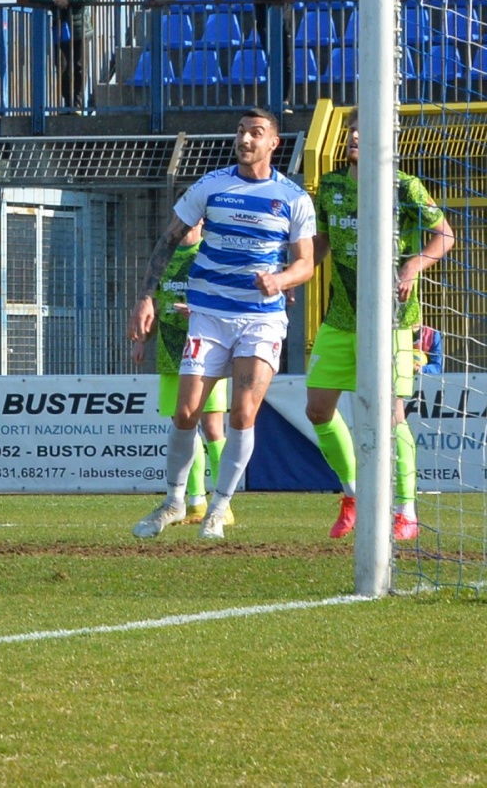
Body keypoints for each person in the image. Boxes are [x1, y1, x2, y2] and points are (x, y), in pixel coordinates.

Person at [127, 108, 317, 541]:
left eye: (256, 133)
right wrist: (145, 297)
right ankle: (174, 501)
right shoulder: (211, 185)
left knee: (243, 413)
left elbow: (305, 263)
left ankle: (219, 508)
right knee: (186, 412)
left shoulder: (293, 198)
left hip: (260, 320)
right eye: (241, 132)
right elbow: (169, 239)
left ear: (274, 144)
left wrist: (281, 279)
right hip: (208, 316)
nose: (246, 139)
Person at [306, 112, 454, 542]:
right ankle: (354, 495)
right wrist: (292, 275)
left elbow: (444, 236)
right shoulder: (331, 188)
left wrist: (413, 264)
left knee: (390, 416)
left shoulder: (404, 186)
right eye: (351, 131)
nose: (355, 135)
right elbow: (322, 242)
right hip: (340, 318)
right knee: (317, 409)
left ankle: (406, 510)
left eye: (363, 129)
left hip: (393, 320)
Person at [130, 218, 230, 526]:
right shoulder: (165, 257)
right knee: (183, 427)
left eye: (193, 219)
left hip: (206, 350)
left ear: (203, 222)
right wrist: (143, 341)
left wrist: (200, 311)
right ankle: (197, 501)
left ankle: (224, 504)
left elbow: (227, 300)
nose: (186, 225)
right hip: (171, 352)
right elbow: (155, 304)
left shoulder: (211, 253)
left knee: (213, 428)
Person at [26, 0, 97, 113]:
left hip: (81, 31)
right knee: (63, 67)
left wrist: (69, 0)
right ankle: (68, 104)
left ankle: (77, 104)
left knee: (79, 67)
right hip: (61, 30)